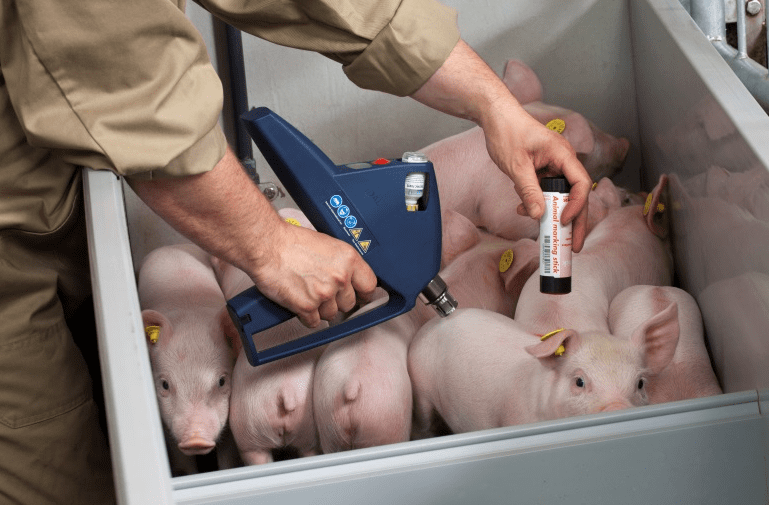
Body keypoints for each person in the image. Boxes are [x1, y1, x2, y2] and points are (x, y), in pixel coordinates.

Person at [0, 0, 590, 502]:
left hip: (63, 187)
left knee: (109, 410)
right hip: (12, 245)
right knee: (65, 473)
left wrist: (494, 106)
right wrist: (269, 245)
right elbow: (121, 75)